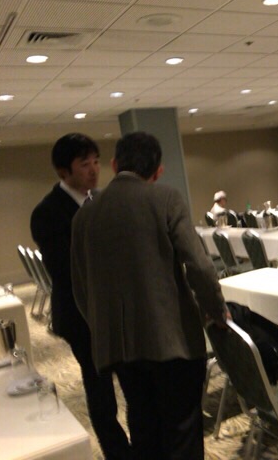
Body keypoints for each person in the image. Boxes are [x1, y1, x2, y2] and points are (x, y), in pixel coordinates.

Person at [71, 132, 229, 460]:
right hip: (172, 343)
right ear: (158, 171)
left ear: (114, 164)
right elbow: (199, 266)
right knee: (182, 433)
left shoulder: (84, 215)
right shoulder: (166, 198)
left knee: (143, 428)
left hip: (119, 347)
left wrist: (103, 329)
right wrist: (216, 310)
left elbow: (82, 289)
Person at [30, 133, 131, 460]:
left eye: (96, 162)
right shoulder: (47, 212)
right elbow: (65, 270)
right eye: (84, 164)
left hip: (117, 311)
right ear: (64, 171)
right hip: (80, 315)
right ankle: (118, 453)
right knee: (100, 389)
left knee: (133, 380)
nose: (94, 169)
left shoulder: (102, 200)